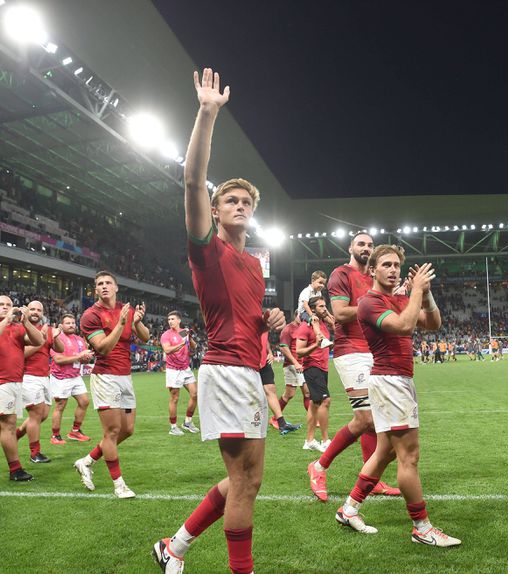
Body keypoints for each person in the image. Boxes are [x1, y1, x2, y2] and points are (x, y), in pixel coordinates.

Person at [152, 68, 286, 574]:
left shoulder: (254, 264)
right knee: (246, 483)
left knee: (246, 480)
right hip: (226, 371)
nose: (240, 205)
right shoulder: (207, 249)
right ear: (214, 209)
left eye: (246, 202)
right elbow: (191, 179)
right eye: (231, 200)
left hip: (246, 371)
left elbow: (244, 317)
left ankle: (175, 547)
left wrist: (267, 320)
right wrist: (207, 113)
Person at [336, 246, 460, 546]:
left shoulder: (399, 298)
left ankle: (349, 509)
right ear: (373, 270)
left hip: (396, 381)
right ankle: (422, 528)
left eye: (396, 265)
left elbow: (433, 323)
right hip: (390, 382)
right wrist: (415, 290)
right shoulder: (369, 302)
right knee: (409, 457)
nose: (393, 270)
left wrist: (425, 294)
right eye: (386, 265)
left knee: (385, 453)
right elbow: (404, 327)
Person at [308, 232, 400, 502]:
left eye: (370, 245)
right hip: (351, 351)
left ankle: (373, 479)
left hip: (374, 350)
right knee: (366, 419)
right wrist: (373, 305)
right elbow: (340, 313)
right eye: (361, 244)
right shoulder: (341, 274)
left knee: (376, 421)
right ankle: (319, 466)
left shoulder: (374, 278)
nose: (366, 248)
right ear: (351, 247)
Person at [74, 272, 149, 499]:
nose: (104, 286)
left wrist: (136, 322)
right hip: (105, 377)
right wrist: (121, 324)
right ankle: (119, 485)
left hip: (125, 376)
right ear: (95, 290)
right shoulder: (90, 315)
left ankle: (86, 461)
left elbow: (145, 337)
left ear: (116, 287)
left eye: (108, 283)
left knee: (127, 430)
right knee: (112, 431)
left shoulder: (126, 310)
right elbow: (103, 348)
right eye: (100, 284)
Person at [0, 295, 44, 481]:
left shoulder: (18, 327)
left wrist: (26, 321)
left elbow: (39, 341)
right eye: (1, 305)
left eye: (9, 305)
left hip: (15, 381)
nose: (5, 307)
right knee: (9, 423)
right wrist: (6, 321)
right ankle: (15, 470)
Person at [16, 301, 64, 464]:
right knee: (35, 415)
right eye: (32, 309)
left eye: (39, 310)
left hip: (44, 377)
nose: (35, 312)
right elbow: (21, 354)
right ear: (26, 311)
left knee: (42, 415)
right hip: (28, 376)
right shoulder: (20, 329)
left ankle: (16, 435)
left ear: (42, 313)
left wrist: (55, 337)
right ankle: (35, 453)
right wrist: (41, 339)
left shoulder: (47, 329)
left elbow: (60, 350)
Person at [49, 314, 93, 444]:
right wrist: (79, 356)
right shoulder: (56, 339)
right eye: (68, 323)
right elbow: (58, 359)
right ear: (61, 325)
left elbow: (83, 358)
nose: (71, 325)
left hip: (75, 376)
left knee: (84, 401)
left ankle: (75, 431)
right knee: (60, 405)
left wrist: (86, 358)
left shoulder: (79, 339)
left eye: (73, 323)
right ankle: (55, 436)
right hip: (61, 377)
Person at [296, 297, 333, 453]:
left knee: (314, 404)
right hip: (312, 367)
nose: (324, 308)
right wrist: (315, 346)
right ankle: (325, 440)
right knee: (325, 401)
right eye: (321, 306)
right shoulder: (305, 326)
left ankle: (309, 441)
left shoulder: (322, 324)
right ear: (312, 309)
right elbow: (299, 351)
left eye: (325, 306)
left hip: (323, 367)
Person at [161, 311, 199, 435]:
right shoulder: (166, 335)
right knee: (175, 398)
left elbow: (194, 346)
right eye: (169, 319)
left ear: (179, 320)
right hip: (173, 370)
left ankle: (187, 422)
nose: (170, 321)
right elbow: (167, 350)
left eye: (173, 319)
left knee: (195, 394)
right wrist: (181, 343)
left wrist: (190, 338)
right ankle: (173, 427)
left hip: (185, 368)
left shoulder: (183, 332)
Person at [275, 310, 312, 430]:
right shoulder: (288, 329)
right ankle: (275, 418)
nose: (303, 318)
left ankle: (313, 418)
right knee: (289, 394)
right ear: (296, 315)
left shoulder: (304, 328)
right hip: (292, 365)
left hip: (303, 365)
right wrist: (295, 363)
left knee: (307, 392)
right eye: (301, 316)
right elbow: (283, 348)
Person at [259, 331, 300, 435]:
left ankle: (282, 424)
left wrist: (269, 352)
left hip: (264, 361)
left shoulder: (262, 324)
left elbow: (264, 338)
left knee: (271, 390)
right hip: (248, 361)